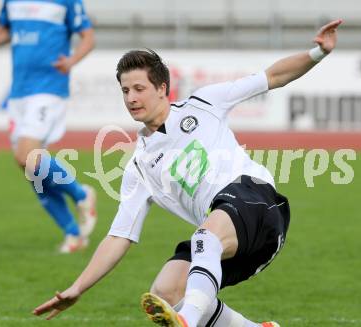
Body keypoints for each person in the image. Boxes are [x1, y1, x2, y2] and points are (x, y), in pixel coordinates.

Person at [33, 19, 342, 326]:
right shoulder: (139, 166)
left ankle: (188, 321)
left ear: (162, 88)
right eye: (125, 90)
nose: (131, 98)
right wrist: (78, 288)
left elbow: (272, 76)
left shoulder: (205, 103)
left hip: (258, 204)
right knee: (166, 290)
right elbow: (118, 237)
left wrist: (318, 53)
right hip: (233, 246)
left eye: (139, 88)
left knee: (205, 236)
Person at [0, 0, 97, 253]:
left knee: (27, 157)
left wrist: (72, 60)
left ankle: (81, 194)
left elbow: (88, 37)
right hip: (19, 93)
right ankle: (74, 235)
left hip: (49, 88)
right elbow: (4, 31)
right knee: (29, 168)